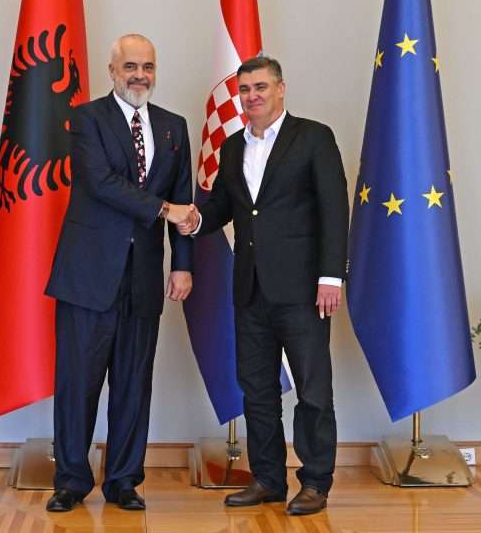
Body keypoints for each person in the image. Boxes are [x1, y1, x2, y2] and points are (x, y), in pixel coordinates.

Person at [178, 56, 348, 516]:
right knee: (257, 391)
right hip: (250, 289)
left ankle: (315, 482)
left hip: (304, 290)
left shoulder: (313, 137)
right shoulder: (233, 146)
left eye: (261, 87)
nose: (252, 96)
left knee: (313, 391)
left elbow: (334, 210)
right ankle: (268, 480)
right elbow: (224, 208)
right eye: (245, 89)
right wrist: (193, 220)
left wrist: (331, 276)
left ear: (280, 88)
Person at [44, 34, 196, 512]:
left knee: (133, 384)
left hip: (144, 278)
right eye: (130, 66)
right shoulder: (87, 118)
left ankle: (124, 481)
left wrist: (183, 265)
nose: (139, 75)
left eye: (147, 66)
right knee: (78, 384)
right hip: (88, 277)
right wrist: (166, 209)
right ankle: (71, 481)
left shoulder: (174, 126)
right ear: (112, 71)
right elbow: (102, 183)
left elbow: (185, 201)